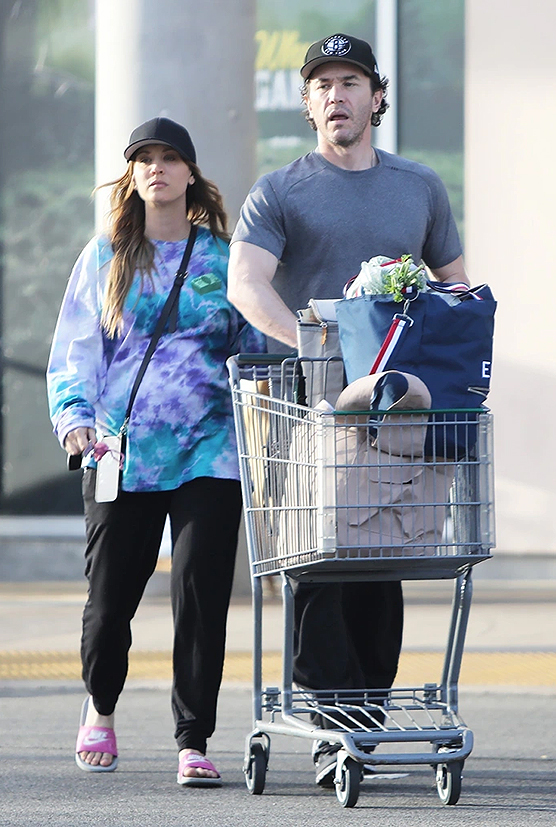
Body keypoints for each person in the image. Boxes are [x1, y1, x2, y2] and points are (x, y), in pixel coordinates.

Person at [227, 33, 469, 788]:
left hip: (394, 412)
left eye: (351, 81)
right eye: (322, 84)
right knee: (322, 558)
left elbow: (456, 286)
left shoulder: (418, 187)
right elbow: (246, 283)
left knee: (381, 559)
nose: (336, 94)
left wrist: (447, 352)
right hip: (315, 410)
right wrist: (314, 345)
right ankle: (336, 720)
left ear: (376, 96)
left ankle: (365, 711)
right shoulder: (280, 190)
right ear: (308, 103)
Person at [47, 117, 265, 784]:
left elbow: (253, 351)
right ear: (133, 174)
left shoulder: (224, 259)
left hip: (210, 449)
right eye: (145, 158)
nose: (157, 168)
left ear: (190, 173)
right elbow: (76, 348)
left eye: (170, 158)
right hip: (121, 449)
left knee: (201, 594)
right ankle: (101, 704)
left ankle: (193, 739)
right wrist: (75, 419)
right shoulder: (107, 254)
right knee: (109, 601)